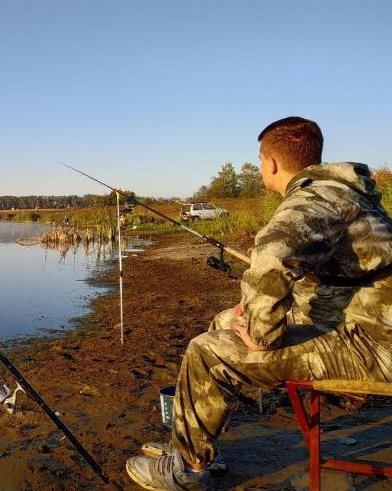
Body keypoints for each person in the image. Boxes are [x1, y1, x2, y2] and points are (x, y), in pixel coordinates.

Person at [126, 116, 392, 491]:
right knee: (222, 322)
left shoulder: (315, 198)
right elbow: (339, 278)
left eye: (258, 160)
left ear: (270, 163)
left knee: (206, 352)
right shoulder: (341, 195)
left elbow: (271, 256)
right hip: (361, 321)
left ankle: (187, 471)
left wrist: (261, 333)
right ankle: (201, 449)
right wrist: (251, 313)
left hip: (375, 344)